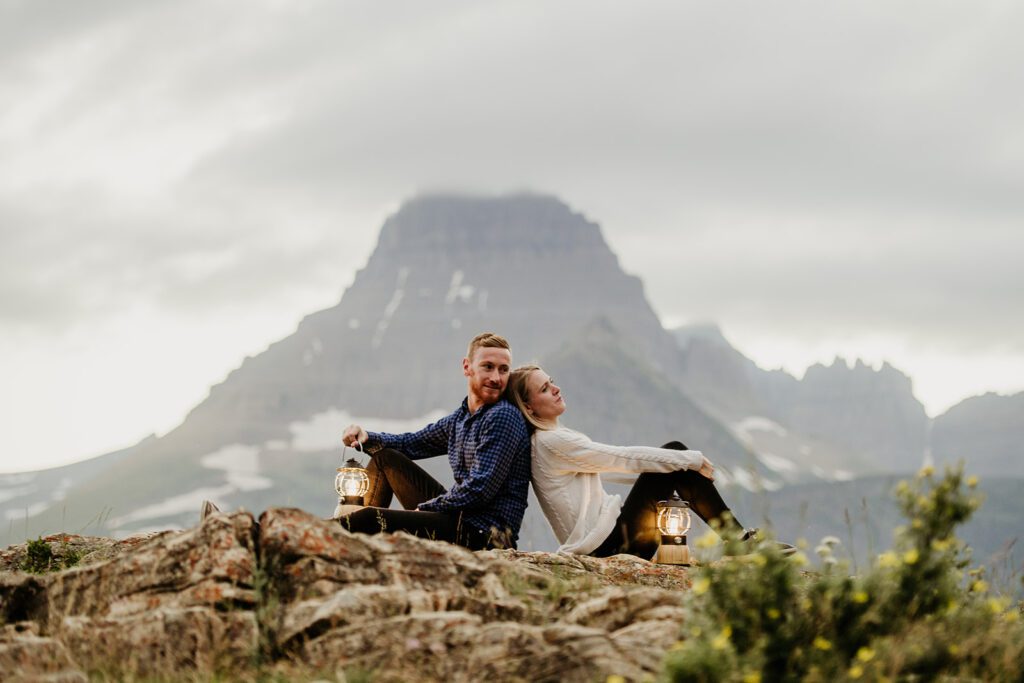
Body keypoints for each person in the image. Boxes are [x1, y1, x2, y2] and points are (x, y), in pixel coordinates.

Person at [506, 364, 783, 559]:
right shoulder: (549, 442)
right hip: (608, 548)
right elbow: (620, 458)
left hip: (611, 539)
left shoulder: (552, 438)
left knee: (674, 465)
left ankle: (737, 540)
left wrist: (669, 475)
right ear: (528, 407)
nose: (555, 388)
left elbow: (608, 470)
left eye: (551, 381)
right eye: (544, 389)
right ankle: (737, 541)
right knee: (676, 454)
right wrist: (691, 460)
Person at [339, 332, 531, 550]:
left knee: (369, 519)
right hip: (459, 517)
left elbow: (479, 489)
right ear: (467, 367)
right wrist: (367, 437)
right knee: (385, 458)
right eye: (488, 367)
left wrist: (427, 508)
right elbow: (411, 443)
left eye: (503, 370)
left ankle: (314, 535)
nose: (496, 378)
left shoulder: (503, 416)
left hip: (483, 534)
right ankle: (351, 541)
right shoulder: (460, 419)